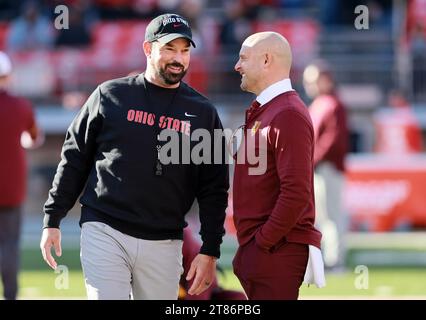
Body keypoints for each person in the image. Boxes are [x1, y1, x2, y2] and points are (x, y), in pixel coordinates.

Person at [40, 13, 229, 300]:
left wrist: (210, 249)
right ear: (148, 49)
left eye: (184, 50)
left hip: (165, 239)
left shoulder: (203, 113)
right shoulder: (109, 95)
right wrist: (53, 218)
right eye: (169, 49)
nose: (178, 58)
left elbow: (214, 186)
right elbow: (74, 157)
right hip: (105, 228)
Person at [232, 32, 323, 300]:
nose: (237, 66)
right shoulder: (271, 109)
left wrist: (261, 244)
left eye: (243, 58)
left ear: (266, 60)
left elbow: (296, 192)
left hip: (275, 250)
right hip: (266, 250)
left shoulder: (287, 113)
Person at [0, 51, 41, 300]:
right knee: (10, 244)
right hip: (11, 188)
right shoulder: (21, 106)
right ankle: (11, 294)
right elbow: (35, 137)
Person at [303, 62, 348, 269]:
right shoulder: (319, 104)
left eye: (313, 81)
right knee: (322, 216)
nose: (309, 85)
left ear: (326, 80)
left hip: (327, 168)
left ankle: (335, 260)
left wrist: (312, 160)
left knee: (331, 216)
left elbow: (333, 139)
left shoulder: (332, 104)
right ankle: (326, 259)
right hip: (318, 168)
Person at [179, 227, 246, 300]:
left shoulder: (184, 238)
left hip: (198, 287)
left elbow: (199, 290)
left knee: (237, 297)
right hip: (180, 287)